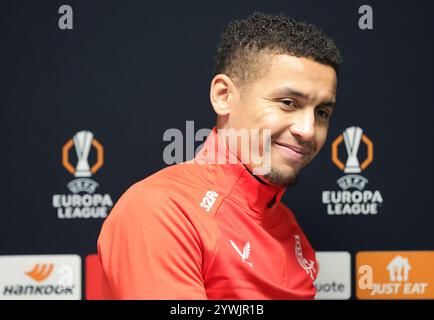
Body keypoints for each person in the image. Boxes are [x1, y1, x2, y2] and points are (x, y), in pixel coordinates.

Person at [98, 12, 342, 299]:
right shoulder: (162, 209)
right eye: (288, 103)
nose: (308, 130)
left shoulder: (290, 229)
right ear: (224, 96)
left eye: (322, 113)